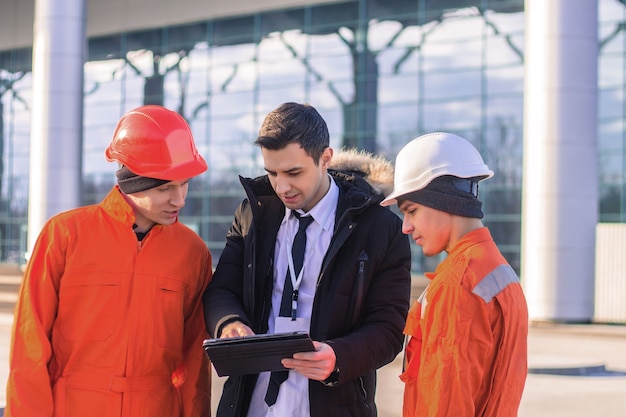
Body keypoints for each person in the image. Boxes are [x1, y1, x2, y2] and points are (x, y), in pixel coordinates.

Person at [203, 102, 412, 417]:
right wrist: (229, 323)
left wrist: (338, 356)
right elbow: (222, 290)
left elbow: (388, 328)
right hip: (250, 404)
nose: (282, 186)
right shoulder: (251, 215)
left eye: (293, 172)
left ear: (325, 158)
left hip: (333, 402)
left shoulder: (380, 228)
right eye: (271, 172)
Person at [6, 105, 212, 417]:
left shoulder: (192, 252)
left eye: (185, 184)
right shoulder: (64, 235)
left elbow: (195, 363)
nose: (179, 199)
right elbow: (29, 345)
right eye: (165, 188)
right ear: (133, 182)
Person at [380, 132, 529, 417]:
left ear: (444, 201)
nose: (406, 227)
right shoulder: (499, 271)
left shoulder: (457, 285)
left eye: (411, 211)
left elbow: (446, 404)